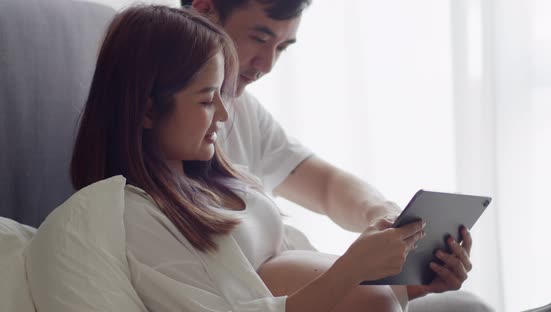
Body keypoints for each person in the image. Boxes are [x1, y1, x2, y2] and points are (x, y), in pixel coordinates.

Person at [70, 5, 471, 311]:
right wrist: (355, 270)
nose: (226, 114)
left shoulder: (216, 175)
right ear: (146, 110)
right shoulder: (138, 216)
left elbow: (328, 186)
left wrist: (409, 274)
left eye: (223, 96)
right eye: (210, 99)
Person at [182, 0, 491, 310]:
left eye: (282, 48)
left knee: (466, 304)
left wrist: (387, 219)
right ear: (204, 10)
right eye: (260, 39)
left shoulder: (242, 109)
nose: (266, 64)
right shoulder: (168, 147)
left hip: (329, 290)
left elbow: (326, 185)